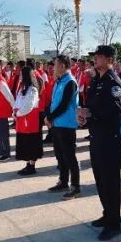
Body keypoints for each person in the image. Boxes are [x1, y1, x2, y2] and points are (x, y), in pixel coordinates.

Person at [79, 45, 121, 241]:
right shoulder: (97, 81)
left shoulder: (113, 82)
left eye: (99, 57)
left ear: (110, 60)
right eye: (95, 56)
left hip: (110, 139)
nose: (95, 59)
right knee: (100, 179)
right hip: (97, 137)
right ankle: (107, 214)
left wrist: (91, 114)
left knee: (110, 182)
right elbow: (91, 106)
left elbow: (114, 112)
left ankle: (114, 223)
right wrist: (85, 117)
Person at [46, 55, 82, 197]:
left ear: (62, 66)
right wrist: (48, 116)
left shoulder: (70, 82)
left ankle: (75, 186)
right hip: (57, 123)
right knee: (59, 155)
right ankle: (63, 181)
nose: (53, 68)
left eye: (55, 65)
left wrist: (50, 117)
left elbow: (64, 105)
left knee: (69, 155)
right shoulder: (58, 81)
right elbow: (53, 102)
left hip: (66, 124)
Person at [13, 66, 43, 175]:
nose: (20, 76)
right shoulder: (23, 88)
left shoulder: (33, 89)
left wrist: (18, 113)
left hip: (30, 120)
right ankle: (28, 164)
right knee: (25, 142)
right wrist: (14, 111)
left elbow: (28, 106)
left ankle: (32, 166)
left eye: (21, 74)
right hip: (23, 119)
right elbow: (17, 102)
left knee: (31, 142)